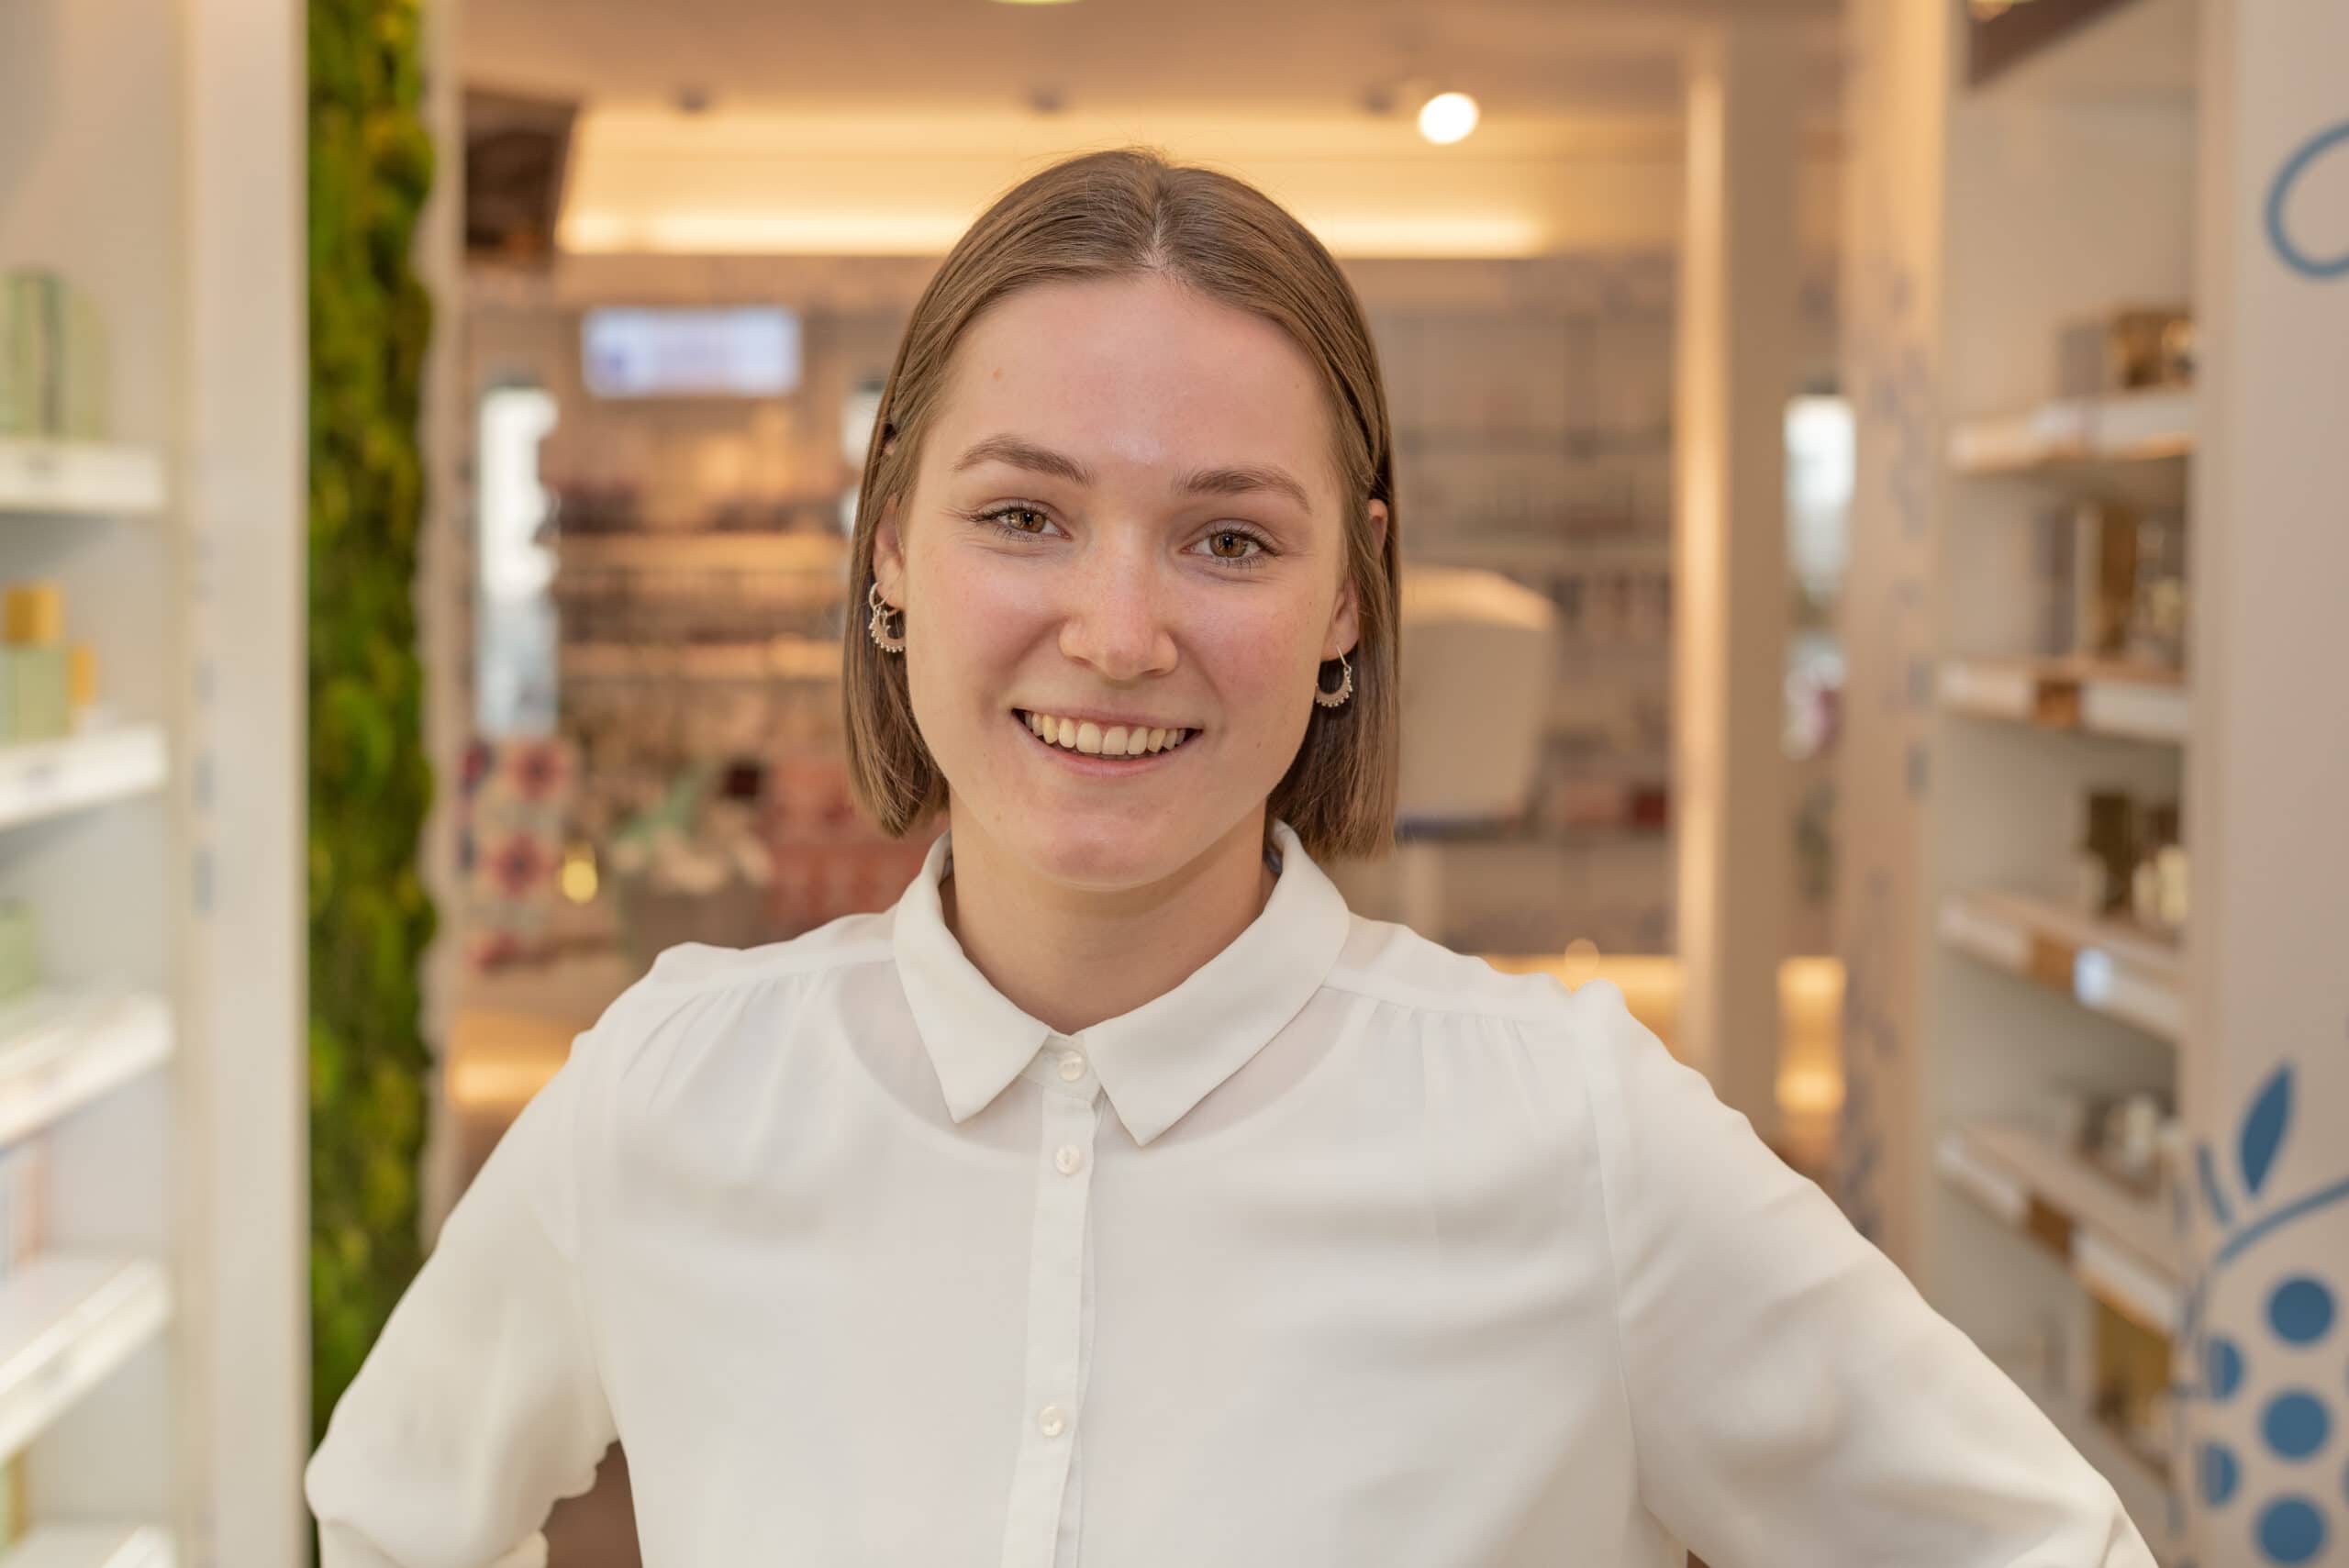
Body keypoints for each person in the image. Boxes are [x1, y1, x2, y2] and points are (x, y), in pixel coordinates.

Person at [306, 148, 2155, 1568]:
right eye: (1023, 514)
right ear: (888, 551)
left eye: (1228, 542)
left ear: (1349, 595)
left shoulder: (1567, 1135)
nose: (1118, 633)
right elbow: (388, 1518)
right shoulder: (673, 1092)